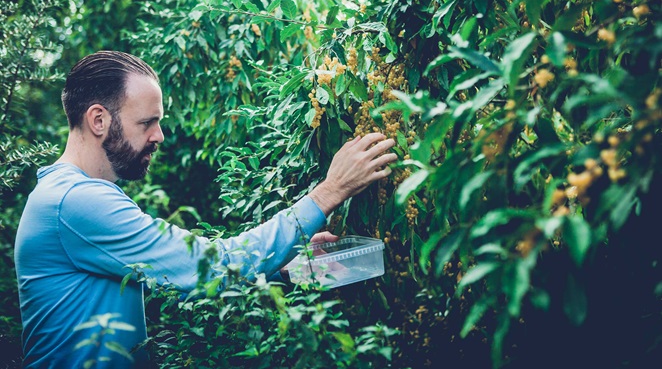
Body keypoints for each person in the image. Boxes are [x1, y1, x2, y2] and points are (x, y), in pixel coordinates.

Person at [14, 51, 397, 368]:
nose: (159, 135)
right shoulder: (76, 201)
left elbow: (182, 284)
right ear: (99, 120)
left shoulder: (70, 197)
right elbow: (212, 267)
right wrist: (330, 192)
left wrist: (285, 270)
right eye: (147, 123)